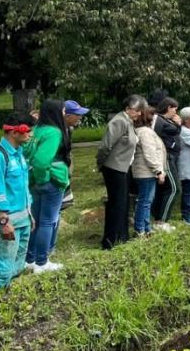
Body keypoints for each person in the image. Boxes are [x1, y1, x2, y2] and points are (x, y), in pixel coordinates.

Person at [0, 113, 36, 297]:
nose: (31, 135)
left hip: (22, 221)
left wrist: (29, 216)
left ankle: (4, 296)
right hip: (6, 222)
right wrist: (4, 222)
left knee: (16, 264)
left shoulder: (18, 154)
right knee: (2, 265)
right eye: (28, 131)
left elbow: (22, 189)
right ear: (14, 132)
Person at [23, 99, 70, 274]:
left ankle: (29, 259)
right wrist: (43, 179)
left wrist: (36, 179)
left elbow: (27, 153)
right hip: (49, 182)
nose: (64, 113)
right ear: (56, 112)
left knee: (35, 221)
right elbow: (42, 161)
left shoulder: (36, 130)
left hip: (33, 182)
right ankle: (42, 263)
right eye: (63, 110)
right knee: (47, 222)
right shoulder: (53, 132)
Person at [97, 95, 146, 249]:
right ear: (127, 108)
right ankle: (110, 240)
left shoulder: (128, 121)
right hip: (114, 168)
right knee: (116, 204)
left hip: (123, 168)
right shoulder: (119, 121)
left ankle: (122, 236)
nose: (139, 114)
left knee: (123, 203)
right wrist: (101, 164)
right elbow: (105, 146)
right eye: (137, 110)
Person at [55, 100, 89, 250]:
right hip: (56, 175)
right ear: (67, 115)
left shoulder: (69, 129)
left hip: (65, 171)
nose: (80, 118)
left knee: (61, 204)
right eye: (77, 115)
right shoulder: (55, 132)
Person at [131, 106, 167, 236]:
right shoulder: (145, 132)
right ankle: (140, 229)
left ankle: (146, 228)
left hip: (145, 172)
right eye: (153, 115)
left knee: (146, 201)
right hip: (146, 172)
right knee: (145, 202)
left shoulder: (141, 130)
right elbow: (150, 153)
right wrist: (158, 171)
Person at [152, 97, 181, 232]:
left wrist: (178, 124)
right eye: (175, 108)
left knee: (164, 190)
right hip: (165, 158)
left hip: (171, 157)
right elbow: (152, 137)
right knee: (175, 189)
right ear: (168, 107)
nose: (176, 112)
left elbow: (174, 131)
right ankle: (161, 221)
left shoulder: (166, 120)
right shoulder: (157, 119)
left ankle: (158, 218)